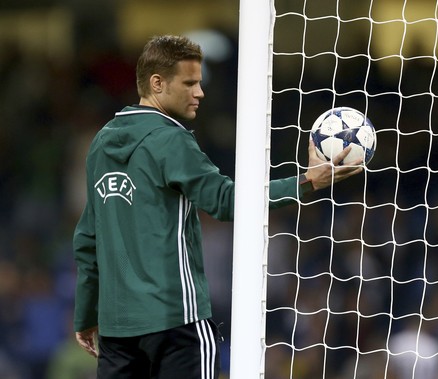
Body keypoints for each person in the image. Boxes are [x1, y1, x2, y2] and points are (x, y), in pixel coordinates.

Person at [73, 34, 362, 379]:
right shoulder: (170, 139)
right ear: (157, 83)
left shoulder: (101, 143)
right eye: (190, 83)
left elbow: (88, 239)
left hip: (118, 332)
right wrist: (307, 181)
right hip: (176, 323)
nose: (200, 92)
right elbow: (225, 201)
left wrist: (86, 315)